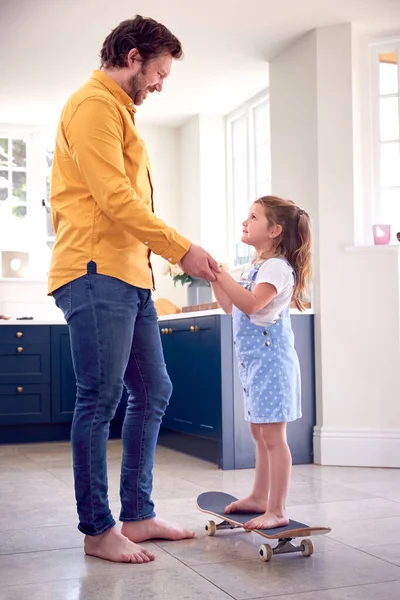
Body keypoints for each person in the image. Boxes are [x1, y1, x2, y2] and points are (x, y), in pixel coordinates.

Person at [48, 16, 219, 564]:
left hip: (129, 275)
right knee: (98, 399)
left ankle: (138, 515)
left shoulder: (118, 112)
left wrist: (157, 259)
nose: (161, 83)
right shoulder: (93, 105)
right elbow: (116, 198)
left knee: (153, 391)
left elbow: (116, 204)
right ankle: (98, 529)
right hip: (96, 272)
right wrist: (181, 249)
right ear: (133, 55)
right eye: (159, 72)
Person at [211, 196, 312, 529]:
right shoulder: (255, 266)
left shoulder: (277, 268)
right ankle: (258, 497)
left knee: (273, 437)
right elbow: (231, 306)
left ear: (275, 231)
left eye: (253, 217)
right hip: (255, 364)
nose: (245, 222)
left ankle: (277, 508)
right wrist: (215, 276)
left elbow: (253, 305)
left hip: (272, 364)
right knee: (259, 432)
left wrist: (222, 274)